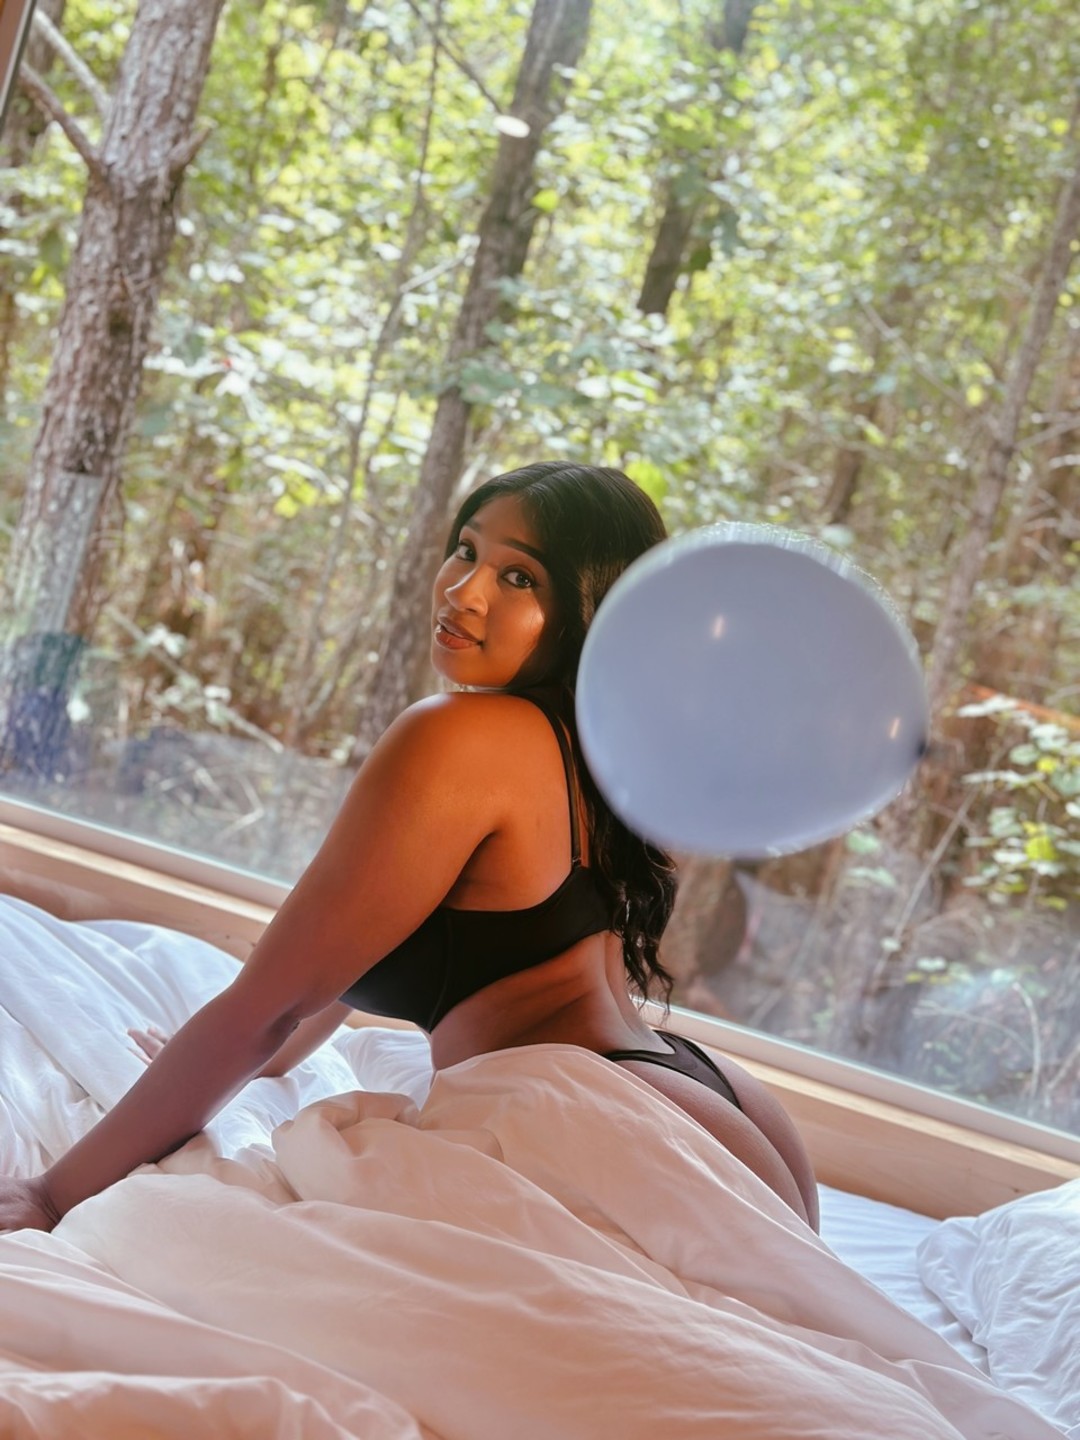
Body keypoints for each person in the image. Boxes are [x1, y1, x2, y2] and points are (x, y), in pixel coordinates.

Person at [0, 462, 818, 1235]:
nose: (464, 590)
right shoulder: (606, 750)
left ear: (591, 610)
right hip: (704, 1094)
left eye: (519, 577)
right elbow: (335, 966)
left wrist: (53, 1193)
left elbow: (265, 1008)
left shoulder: (460, 736)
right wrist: (229, 1068)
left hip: (597, 1113)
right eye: (466, 549)